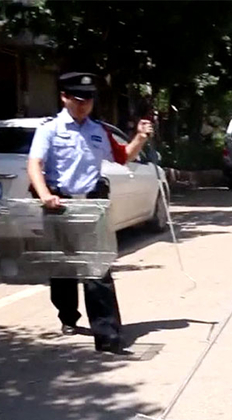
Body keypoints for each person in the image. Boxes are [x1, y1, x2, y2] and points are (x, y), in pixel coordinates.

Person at [27, 71, 153, 354]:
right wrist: (45, 196)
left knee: (98, 270)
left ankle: (107, 335)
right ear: (64, 97)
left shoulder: (99, 131)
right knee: (63, 270)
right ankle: (67, 315)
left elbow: (123, 156)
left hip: (92, 206)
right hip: (59, 206)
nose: (84, 105)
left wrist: (140, 137)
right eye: (78, 99)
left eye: (88, 100)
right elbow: (34, 164)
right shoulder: (49, 129)